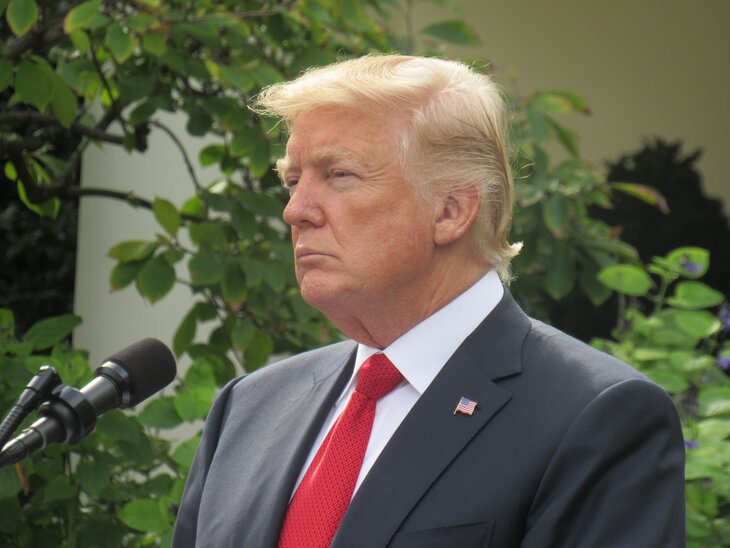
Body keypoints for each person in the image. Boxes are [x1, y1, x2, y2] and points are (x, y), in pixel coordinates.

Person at [172, 54, 685, 547]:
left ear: (451, 211)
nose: (296, 210)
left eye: (339, 175)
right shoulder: (249, 407)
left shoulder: (596, 416)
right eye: (292, 180)